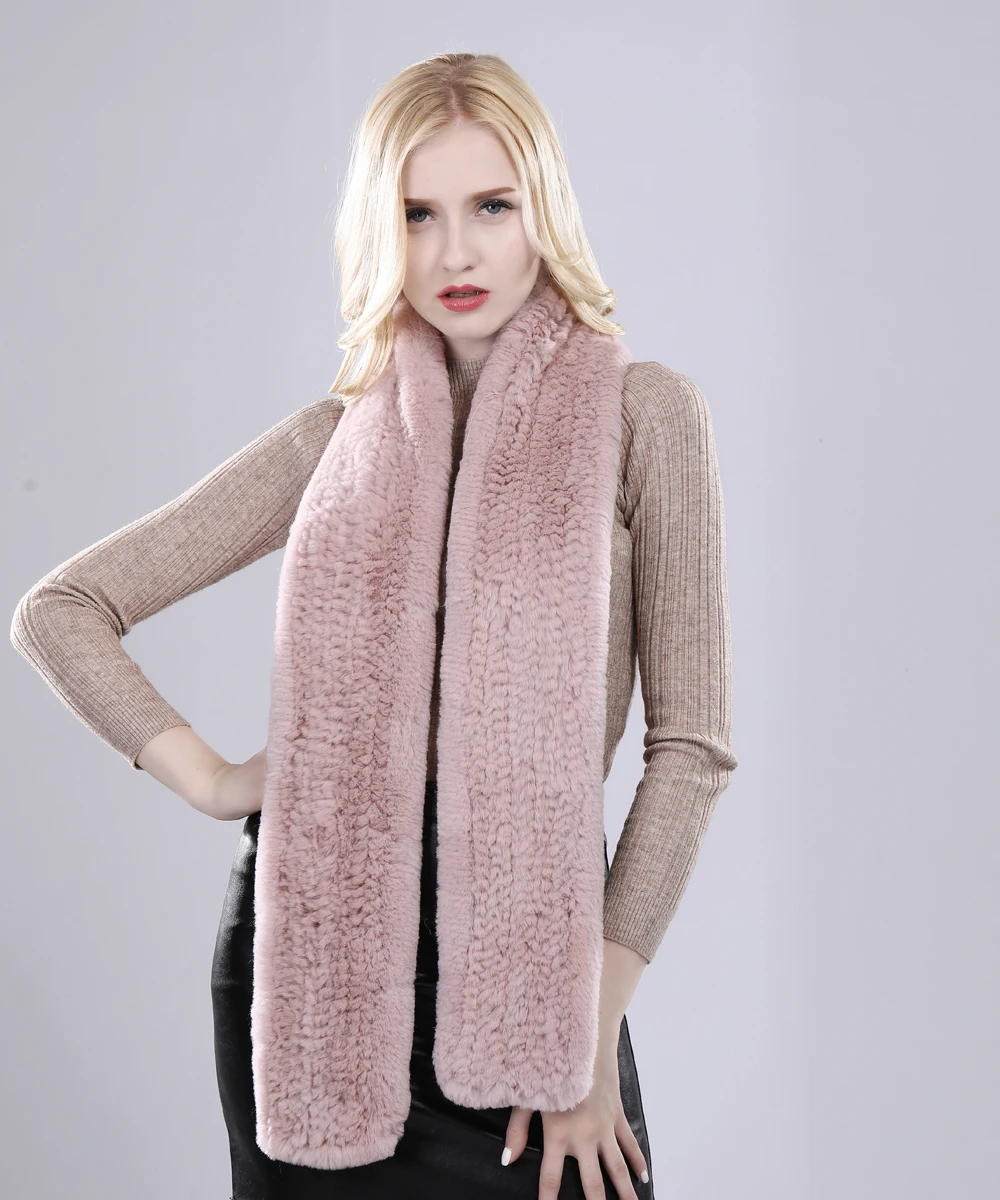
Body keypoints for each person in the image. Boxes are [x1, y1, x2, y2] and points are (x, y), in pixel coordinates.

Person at [10, 51, 738, 1200]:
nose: (454, 253)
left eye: (490, 206)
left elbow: (690, 751)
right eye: (415, 214)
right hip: (316, 972)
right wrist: (213, 780)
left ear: (543, 207)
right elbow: (62, 610)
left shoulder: (645, 415)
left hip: (538, 961)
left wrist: (586, 1034)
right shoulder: (337, 438)